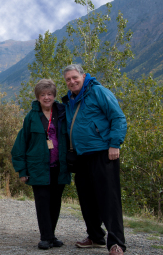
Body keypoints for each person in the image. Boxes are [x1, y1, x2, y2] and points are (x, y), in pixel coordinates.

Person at [61, 64, 127, 255]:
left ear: (83, 76)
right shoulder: (70, 99)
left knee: (109, 198)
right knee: (87, 199)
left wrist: (115, 144)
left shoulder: (98, 92)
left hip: (103, 152)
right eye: (68, 79)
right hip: (81, 155)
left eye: (75, 77)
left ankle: (116, 243)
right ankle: (95, 237)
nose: (72, 81)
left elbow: (118, 117)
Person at [11, 79, 71, 250]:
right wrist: (22, 170)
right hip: (38, 168)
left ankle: (51, 235)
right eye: (43, 94)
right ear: (37, 97)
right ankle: (45, 238)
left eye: (49, 94)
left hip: (59, 167)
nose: (46, 97)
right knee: (43, 203)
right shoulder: (31, 117)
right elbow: (20, 145)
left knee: (55, 203)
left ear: (54, 96)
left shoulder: (62, 113)